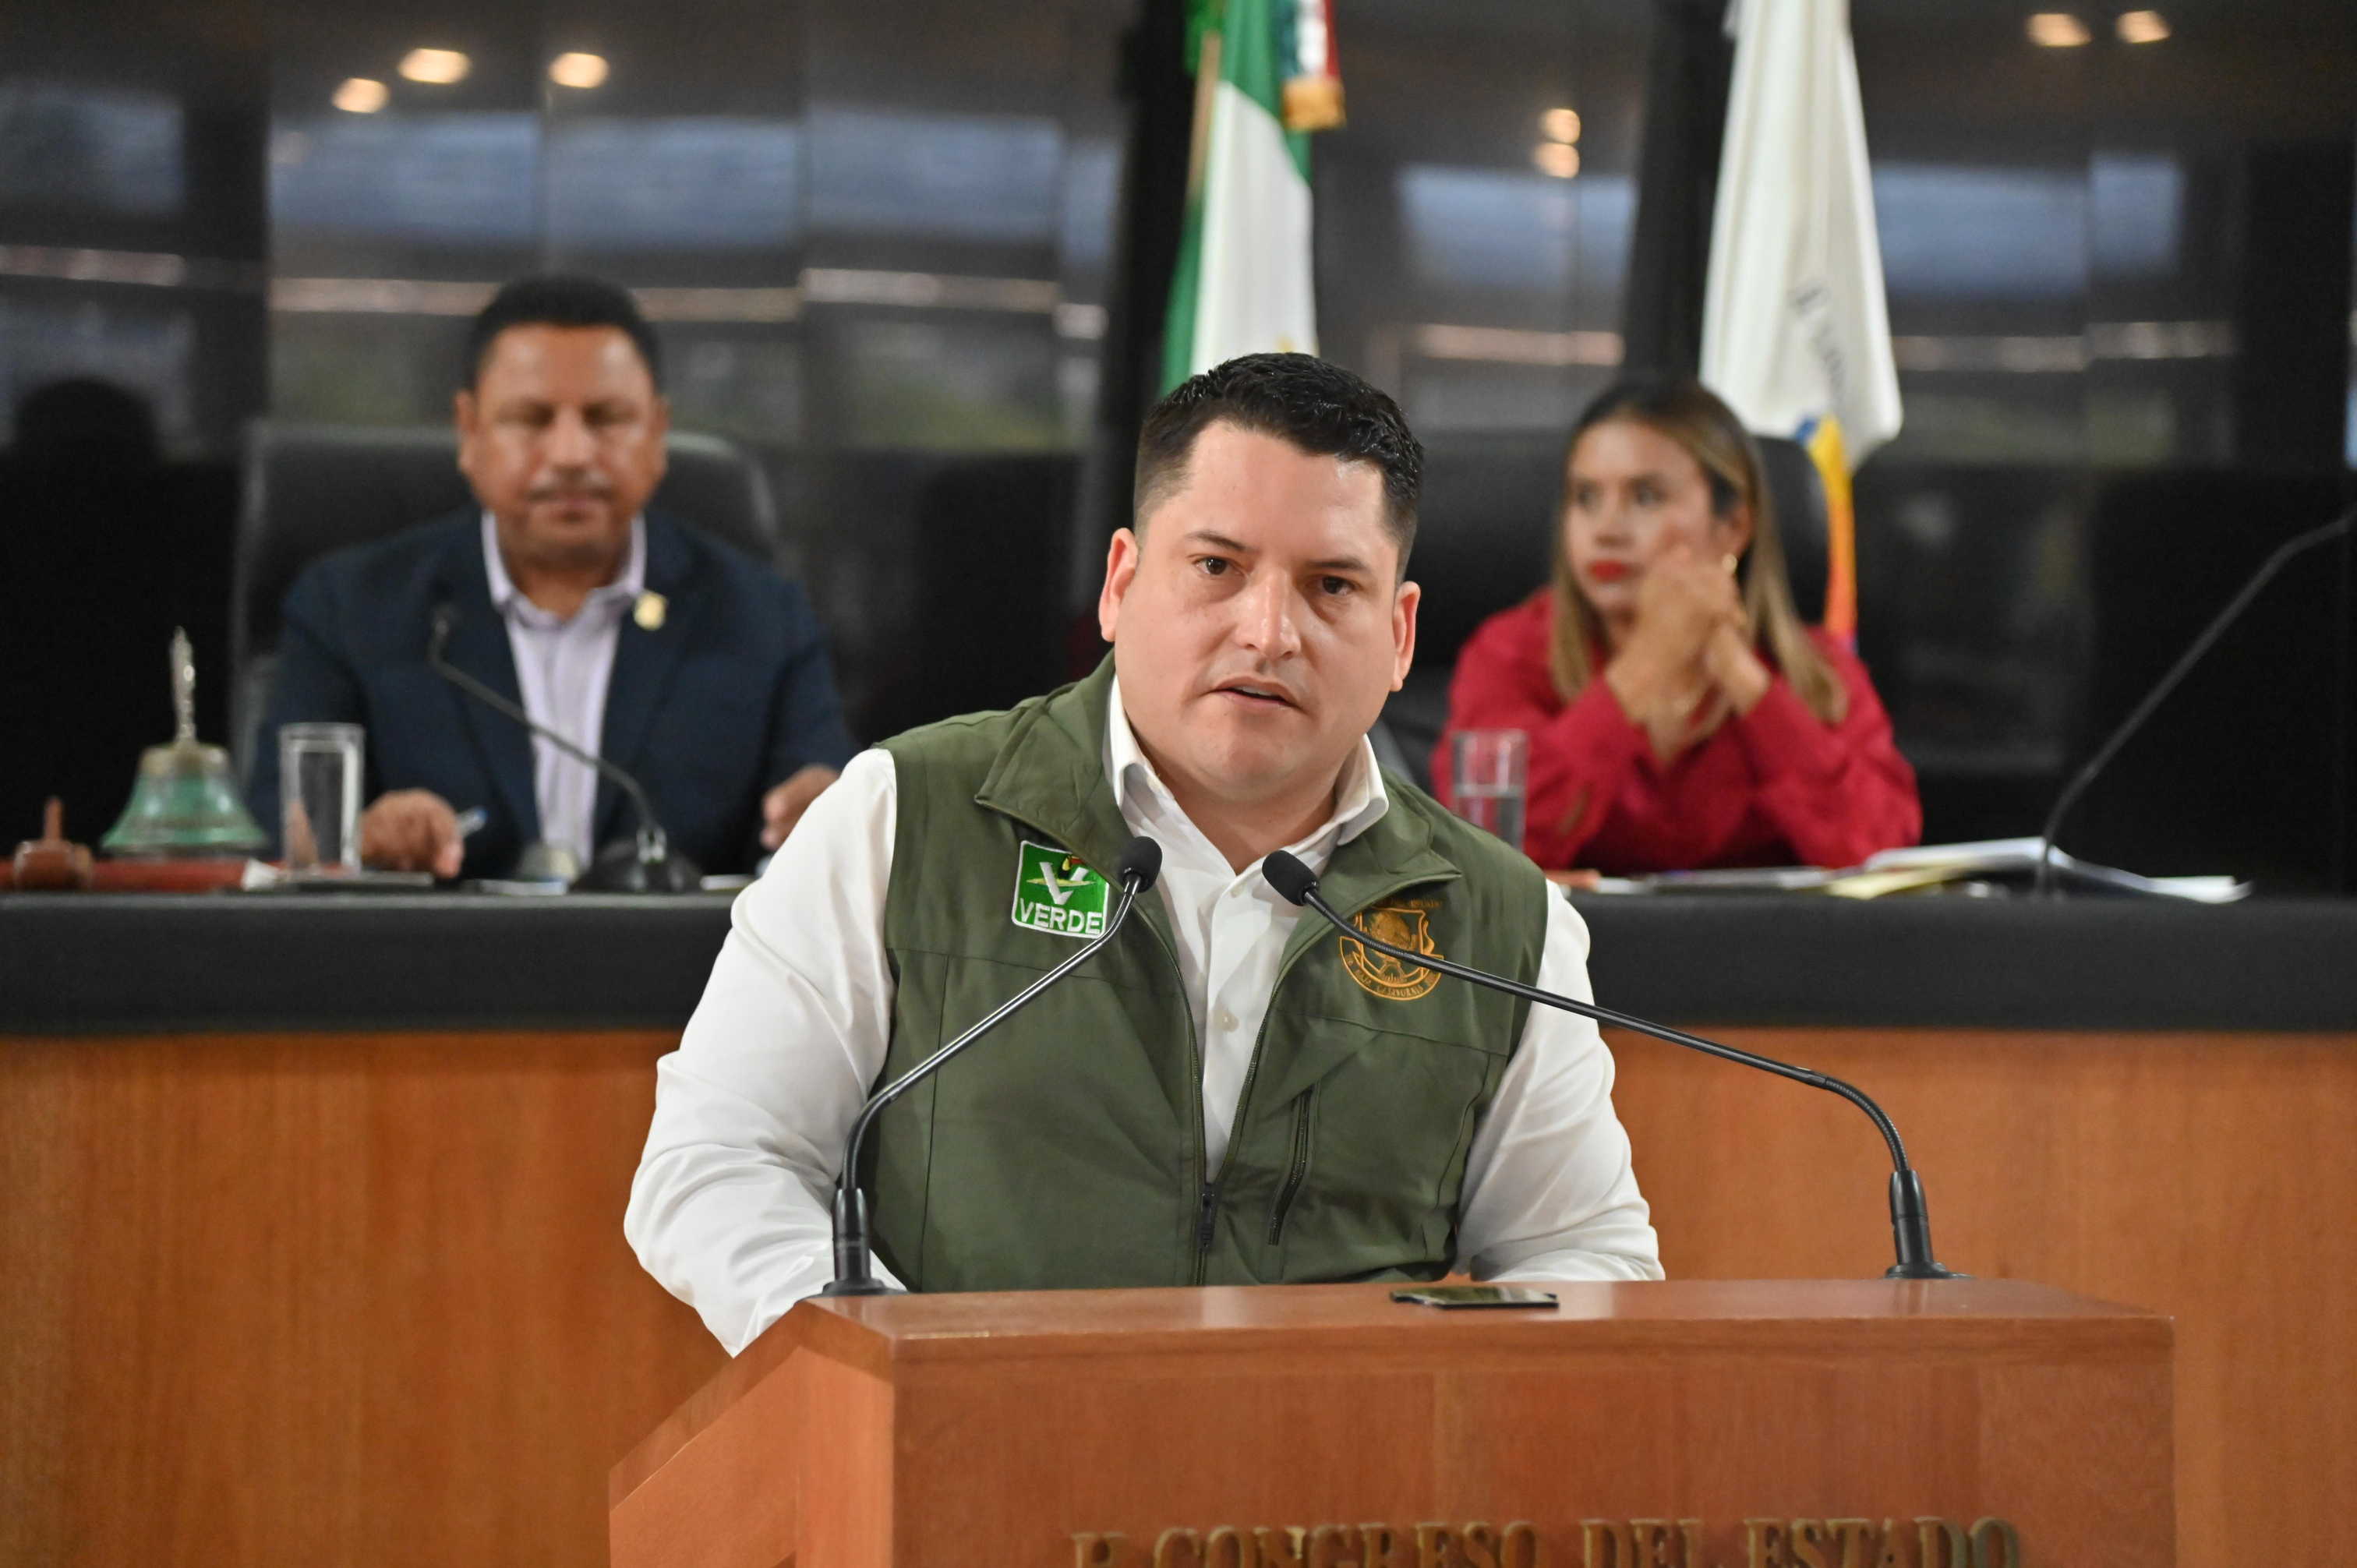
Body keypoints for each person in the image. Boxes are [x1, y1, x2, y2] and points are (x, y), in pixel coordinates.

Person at [627, 353, 1659, 1354]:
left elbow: (1583, 1250)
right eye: (1217, 567)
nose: (1269, 631)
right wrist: (894, 1366)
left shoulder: (1502, 920)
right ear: (1121, 583)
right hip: (967, 1449)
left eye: (1332, 586)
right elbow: (718, 1164)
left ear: (1399, 634)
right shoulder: (905, 816)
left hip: (1334, 1467)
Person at [246, 275, 853, 879]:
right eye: (532, 419)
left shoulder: (762, 617)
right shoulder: (352, 608)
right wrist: (359, 839)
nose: (570, 454)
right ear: (469, 431)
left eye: (606, 418)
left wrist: (828, 819)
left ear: (657, 432)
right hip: (437, 944)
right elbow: (278, 836)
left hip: (688, 947)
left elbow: (827, 814)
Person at [1434, 379, 1919, 874]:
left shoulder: (1817, 671)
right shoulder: (1512, 652)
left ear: (1733, 527)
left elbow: (1878, 855)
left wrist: (1739, 672)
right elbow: (1484, 853)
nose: (1606, 529)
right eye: (1586, 497)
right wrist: (1651, 660)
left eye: (1645, 496)